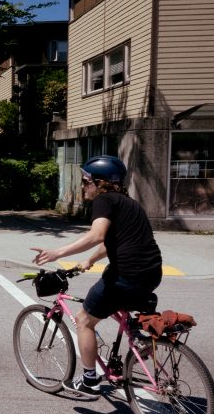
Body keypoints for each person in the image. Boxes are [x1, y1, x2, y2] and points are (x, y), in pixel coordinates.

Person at [31, 155, 162, 399]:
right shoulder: (129, 203)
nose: (83, 186)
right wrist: (90, 260)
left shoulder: (104, 200)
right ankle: (138, 339)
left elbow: (97, 235)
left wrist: (58, 252)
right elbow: (114, 241)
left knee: (84, 320)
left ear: (100, 182)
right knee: (119, 304)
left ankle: (89, 381)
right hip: (152, 272)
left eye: (85, 181)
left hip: (126, 273)